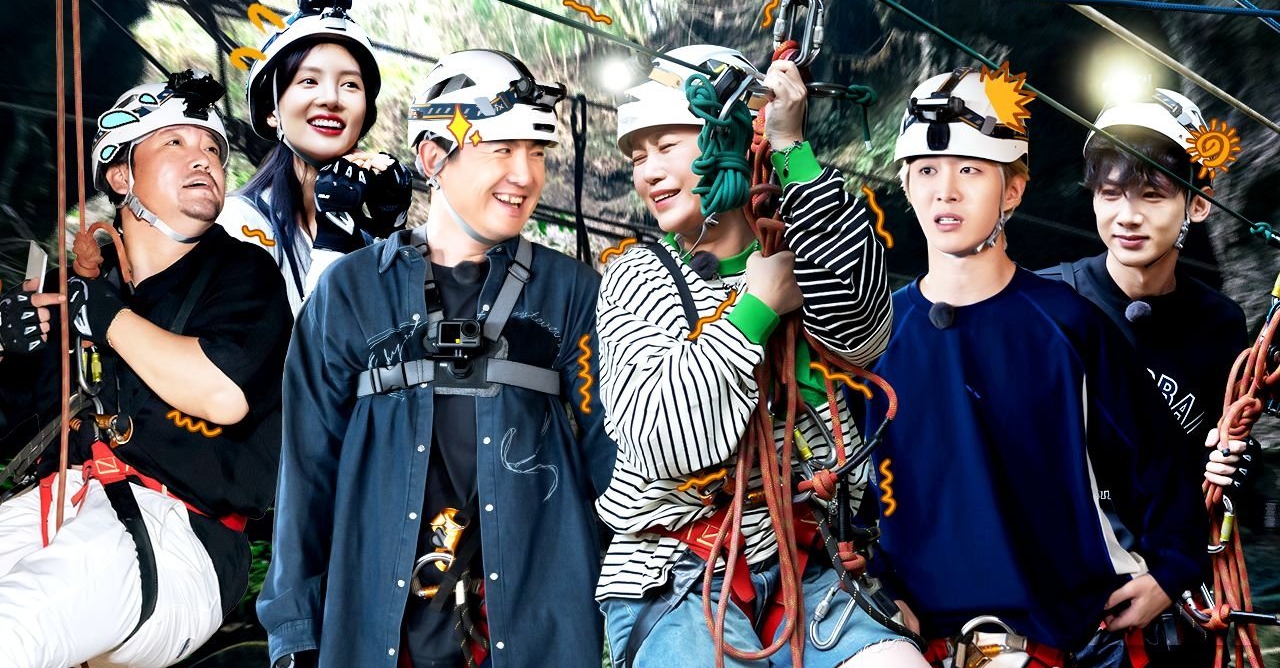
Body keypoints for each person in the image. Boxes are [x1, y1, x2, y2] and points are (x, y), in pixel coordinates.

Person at [257, 49, 615, 668]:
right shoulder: (352, 293)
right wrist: (295, 632)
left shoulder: (572, 295)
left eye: (536, 152)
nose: (525, 175)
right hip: (379, 638)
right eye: (500, 149)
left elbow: (611, 461)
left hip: (535, 637)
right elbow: (307, 472)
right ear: (431, 158)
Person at [864, 68, 1207, 667]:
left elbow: (1159, 464)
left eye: (971, 170)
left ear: (1014, 190)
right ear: (906, 184)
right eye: (926, 171)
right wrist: (877, 588)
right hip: (915, 645)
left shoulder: (1069, 326)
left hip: (1067, 643)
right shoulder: (874, 339)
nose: (946, 192)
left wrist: (1171, 572)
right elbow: (853, 492)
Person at [594, 45, 923, 667]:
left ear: (737, 137)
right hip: (677, 570)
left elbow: (864, 332)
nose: (649, 172)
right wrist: (757, 309)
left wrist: (792, 148)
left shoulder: (802, 252)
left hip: (809, 562)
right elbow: (663, 439)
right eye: (638, 157)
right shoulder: (636, 276)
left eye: (667, 146)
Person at [0, 71, 291, 667]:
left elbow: (222, 392)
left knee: (15, 628)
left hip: (179, 534)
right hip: (56, 503)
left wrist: (103, 315)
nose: (203, 159)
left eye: (213, 149)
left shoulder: (243, 276)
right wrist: (14, 354)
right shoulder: (78, 291)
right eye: (175, 142)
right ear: (121, 176)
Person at [1038, 88, 1251, 663]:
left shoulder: (1220, 324)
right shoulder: (1044, 302)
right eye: (1110, 194)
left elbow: (1206, 468)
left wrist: (1233, 463)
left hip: (1172, 594)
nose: (1127, 216)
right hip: (1058, 593)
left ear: (1198, 205)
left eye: (1153, 195)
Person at [218, 0, 411, 313]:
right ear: (271, 111)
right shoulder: (236, 225)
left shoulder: (360, 230)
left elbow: (397, 332)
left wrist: (389, 232)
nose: (331, 98)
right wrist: (334, 240)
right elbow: (297, 345)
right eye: (309, 81)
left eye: (350, 84)